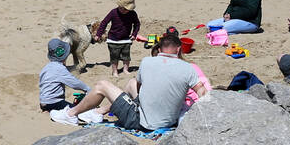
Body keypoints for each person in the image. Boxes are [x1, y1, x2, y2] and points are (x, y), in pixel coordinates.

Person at [50, 31, 205, 130]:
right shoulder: (188, 68)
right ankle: (99, 112)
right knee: (131, 83)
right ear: (178, 49)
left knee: (102, 85)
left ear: (160, 49)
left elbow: (141, 87)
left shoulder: (147, 62)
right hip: (168, 121)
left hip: (141, 122)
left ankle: (70, 114)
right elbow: (202, 91)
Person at [96, 0, 141, 76]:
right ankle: (115, 71)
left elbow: (137, 24)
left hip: (126, 39)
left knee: (126, 56)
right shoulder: (113, 12)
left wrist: (134, 34)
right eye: (124, 9)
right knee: (114, 57)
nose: (126, 11)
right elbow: (104, 23)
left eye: (127, 9)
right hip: (113, 39)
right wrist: (98, 34)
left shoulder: (132, 13)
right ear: (119, 6)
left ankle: (125, 69)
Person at [40, 38, 89, 112]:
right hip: (54, 103)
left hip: (43, 102)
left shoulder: (46, 67)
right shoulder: (59, 69)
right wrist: (87, 89)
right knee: (78, 111)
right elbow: (74, 83)